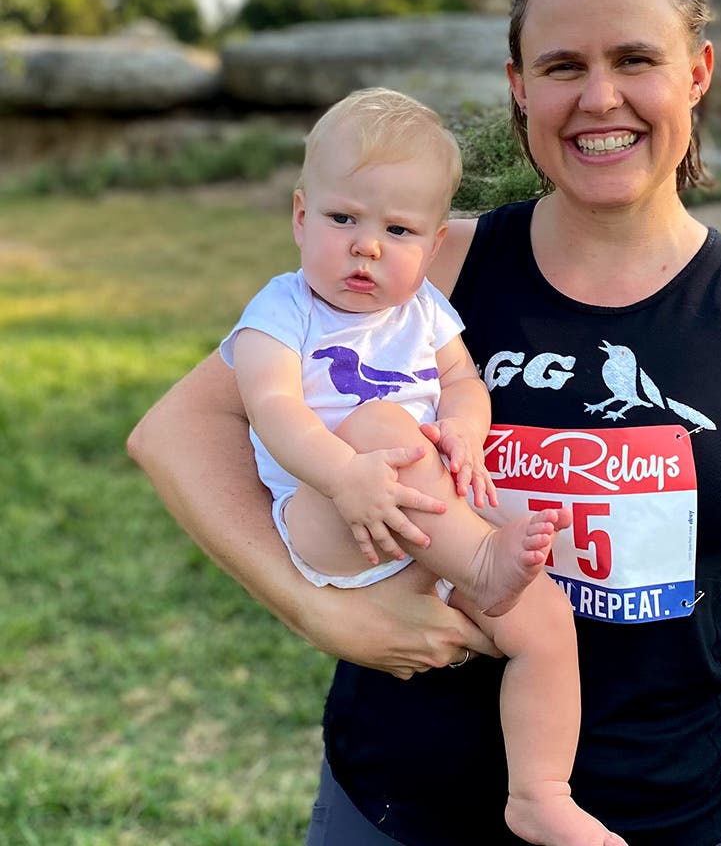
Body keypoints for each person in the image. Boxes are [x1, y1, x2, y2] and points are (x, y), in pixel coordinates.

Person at [128, 0, 721, 846]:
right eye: (561, 66)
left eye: (636, 58)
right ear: (518, 85)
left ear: (698, 72)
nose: (600, 99)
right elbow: (180, 429)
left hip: (661, 818)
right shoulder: (428, 267)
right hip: (398, 810)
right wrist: (316, 610)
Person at [217, 86, 624, 846]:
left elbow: (466, 383)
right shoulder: (282, 311)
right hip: (334, 522)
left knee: (545, 620)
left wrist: (466, 434)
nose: (366, 246)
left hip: (429, 531)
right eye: (344, 219)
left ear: (433, 246)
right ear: (301, 218)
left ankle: (540, 791)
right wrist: (344, 476)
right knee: (381, 423)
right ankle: (480, 561)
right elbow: (275, 411)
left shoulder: (424, 313)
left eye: (397, 229)